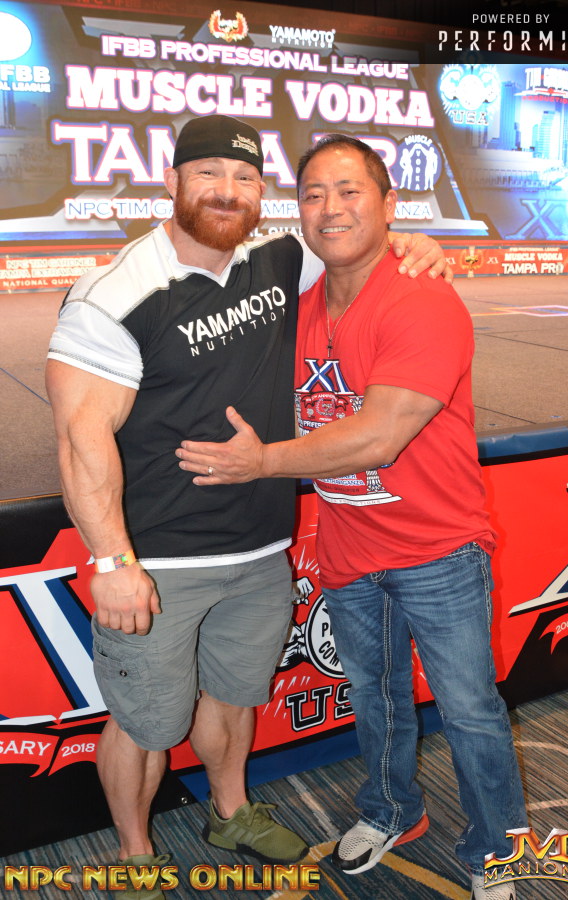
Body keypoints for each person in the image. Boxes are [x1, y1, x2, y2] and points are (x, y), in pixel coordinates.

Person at [45, 115, 450, 896]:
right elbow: (79, 438)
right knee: (144, 722)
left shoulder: (278, 257)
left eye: (244, 178)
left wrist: (414, 243)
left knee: (234, 698)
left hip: (260, 547)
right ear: (172, 182)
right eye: (208, 174)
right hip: (157, 558)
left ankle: (230, 812)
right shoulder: (115, 294)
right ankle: (134, 850)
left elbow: (357, 239)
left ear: (261, 192)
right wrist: (114, 560)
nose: (226, 191)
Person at [176, 134, 528, 900]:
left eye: (349, 191)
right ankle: (392, 812)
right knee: (376, 699)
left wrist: (260, 462)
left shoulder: (422, 299)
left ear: (389, 205)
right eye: (313, 194)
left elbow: (379, 436)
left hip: (439, 551)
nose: (329, 208)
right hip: (349, 552)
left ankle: (497, 850)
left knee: (470, 711)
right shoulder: (297, 310)